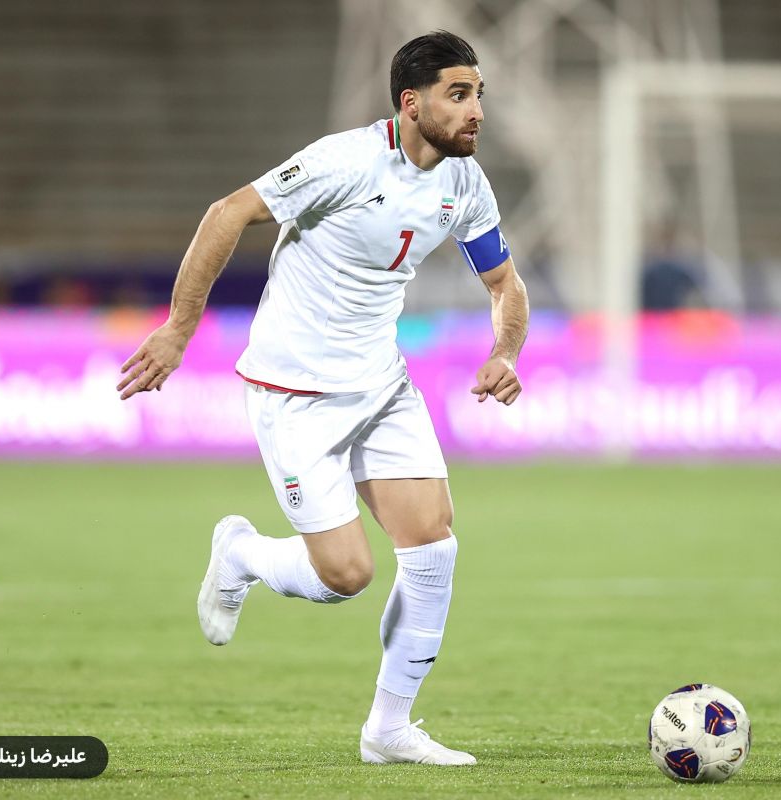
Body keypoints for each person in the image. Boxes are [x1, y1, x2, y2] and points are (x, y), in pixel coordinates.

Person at [117, 30, 529, 766]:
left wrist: (505, 352)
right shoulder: (345, 161)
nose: (476, 111)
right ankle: (242, 553)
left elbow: (503, 284)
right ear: (412, 103)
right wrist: (179, 329)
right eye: (459, 94)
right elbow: (226, 212)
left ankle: (388, 730)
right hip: (296, 392)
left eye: (479, 95)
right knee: (346, 577)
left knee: (433, 545)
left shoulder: (465, 183)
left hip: (381, 385)